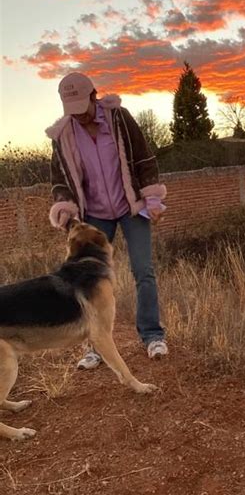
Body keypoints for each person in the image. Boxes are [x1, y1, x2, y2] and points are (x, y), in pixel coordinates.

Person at [46, 71, 168, 369]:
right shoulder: (63, 135)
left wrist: (151, 197)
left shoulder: (119, 119)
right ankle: (97, 348)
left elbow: (143, 158)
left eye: (83, 108)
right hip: (95, 215)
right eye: (72, 111)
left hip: (131, 207)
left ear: (94, 95)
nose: (80, 117)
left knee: (144, 271)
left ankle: (152, 335)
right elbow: (61, 180)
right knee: (90, 279)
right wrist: (64, 207)